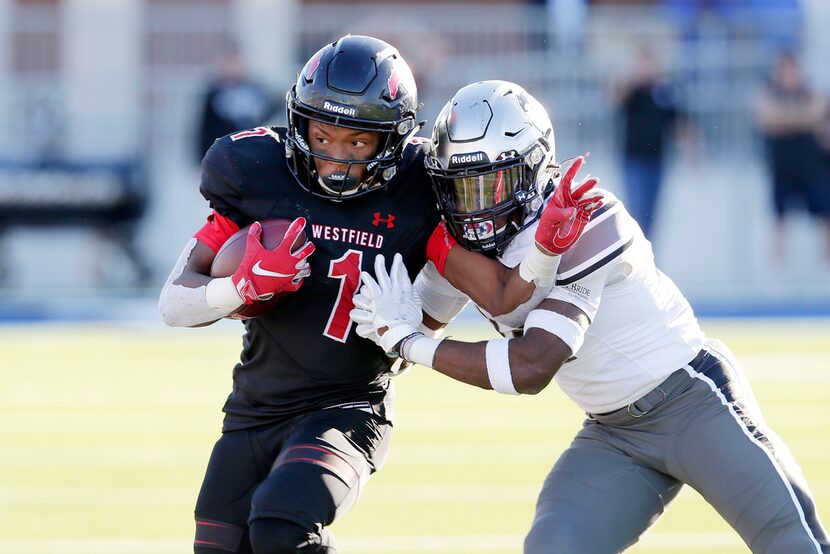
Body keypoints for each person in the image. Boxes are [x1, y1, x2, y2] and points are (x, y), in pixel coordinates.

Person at [350, 80, 830, 553]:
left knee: (792, 542)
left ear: (535, 167)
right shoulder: (460, 251)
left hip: (693, 401)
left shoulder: (582, 216)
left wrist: (409, 342)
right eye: (457, 188)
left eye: (488, 184)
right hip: (615, 433)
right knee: (555, 545)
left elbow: (532, 365)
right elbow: (403, 335)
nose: (472, 207)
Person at [159, 35, 444, 554]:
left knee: (281, 526)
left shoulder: (418, 187)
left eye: (358, 143)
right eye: (322, 134)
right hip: (255, 406)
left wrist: (421, 327)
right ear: (299, 122)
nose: (336, 157)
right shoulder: (255, 169)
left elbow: (466, 277)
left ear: (392, 140)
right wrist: (239, 288)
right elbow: (174, 302)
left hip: (348, 404)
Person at [754, 50, 830, 264]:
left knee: (824, 217)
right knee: (778, 220)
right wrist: (801, 118)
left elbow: (816, 113)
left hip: (811, 167)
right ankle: (777, 269)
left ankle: (826, 266)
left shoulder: (811, 92)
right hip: (781, 168)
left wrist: (784, 119)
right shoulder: (769, 93)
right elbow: (767, 117)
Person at [612, 44, 687, 240]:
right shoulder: (633, 92)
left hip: (657, 160)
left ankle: (646, 254)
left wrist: (692, 149)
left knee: (652, 213)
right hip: (634, 160)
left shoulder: (663, 93)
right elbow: (616, 98)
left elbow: (678, 123)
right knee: (637, 211)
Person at [195, 42, 277, 162]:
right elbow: (205, 128)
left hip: (250, 154)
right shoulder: (214, 93)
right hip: (222, 156)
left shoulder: (255, 91)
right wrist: (202, 157)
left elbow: (267, 115)